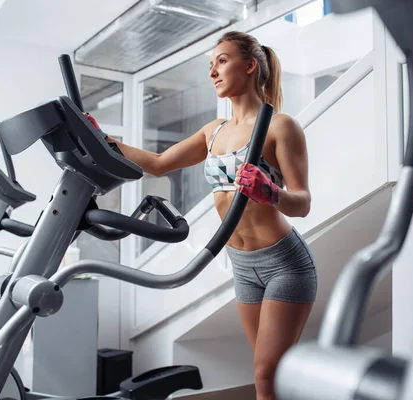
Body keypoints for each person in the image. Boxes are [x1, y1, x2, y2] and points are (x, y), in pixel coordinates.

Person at [86, 30, 317, 400]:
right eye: (210, 65)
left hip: (284, 264)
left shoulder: (279, 126)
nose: (213, 72)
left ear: (250, 65)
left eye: (222, 61)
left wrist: (271, 193)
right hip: (241, 263)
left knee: (265, 372)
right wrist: (102, 140)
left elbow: (303, 202)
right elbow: (159, 165)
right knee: (265, 375)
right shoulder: (214, 131)